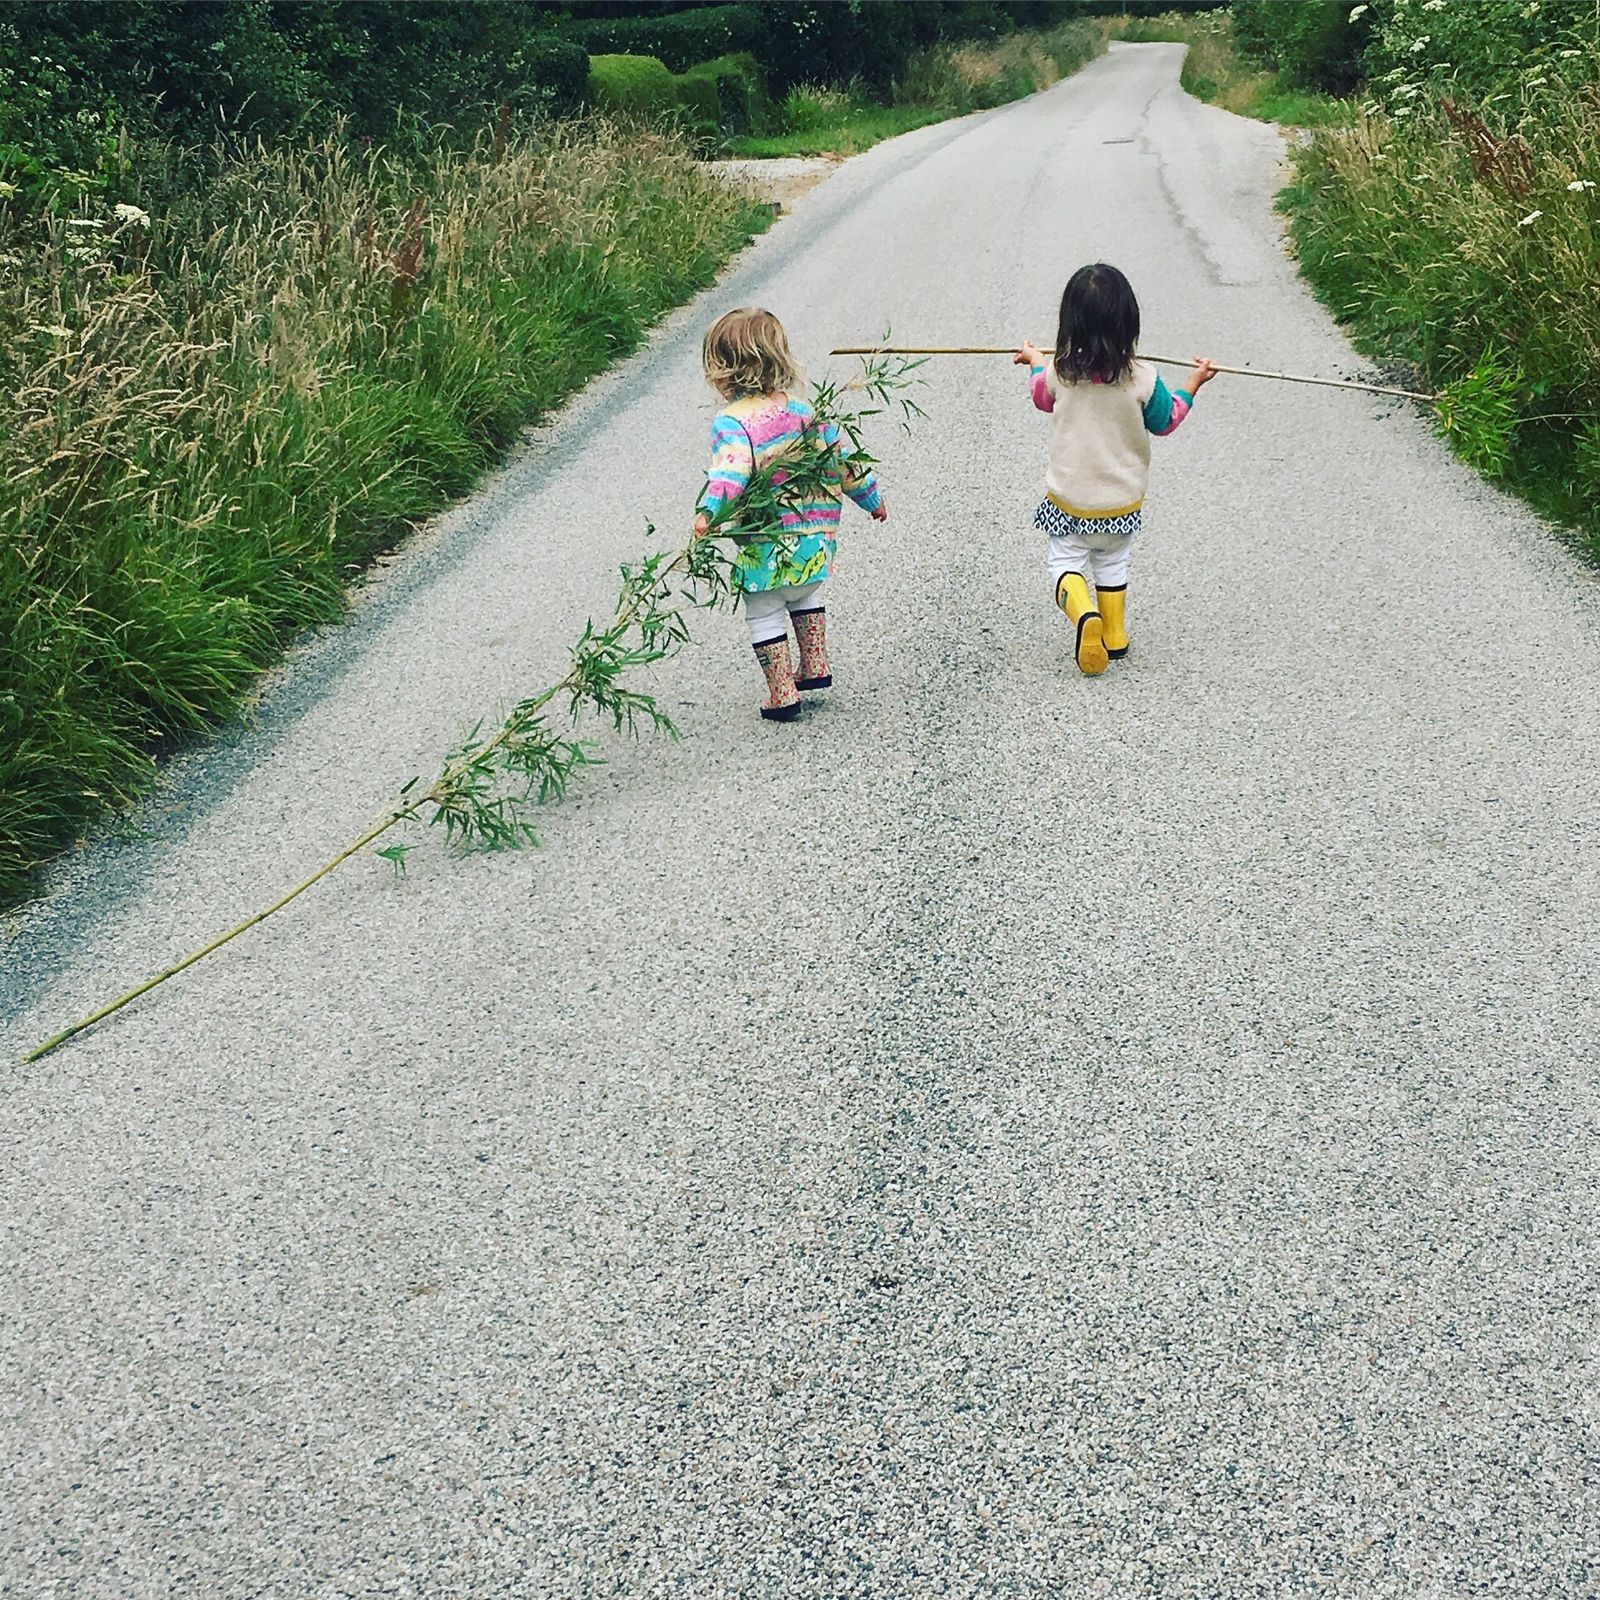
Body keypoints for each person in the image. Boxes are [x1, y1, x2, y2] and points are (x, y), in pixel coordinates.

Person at [1016, 262, 1217, 674]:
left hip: (1070, 502)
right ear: (1129, 325)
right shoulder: (1143, 377)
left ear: (1068, 326)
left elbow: (1040, 396)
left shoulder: (1060, 373)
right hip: (1122, 503)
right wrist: (1192, 384)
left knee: (1065, 564)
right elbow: (1166, 420)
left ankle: (1084, 616)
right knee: (1112, 562)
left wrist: (1036, 360)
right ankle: (1115, 635)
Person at [695, 307, 888, 721]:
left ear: (722, 369)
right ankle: (814, 663)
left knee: (764, 612)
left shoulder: (732, 422)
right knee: (805, 594)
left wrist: (708, 515)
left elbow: (730, 474)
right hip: (812, 544)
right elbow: (844, 461)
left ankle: (782, 691)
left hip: (766, 547)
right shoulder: (806, 413)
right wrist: (872, 499)